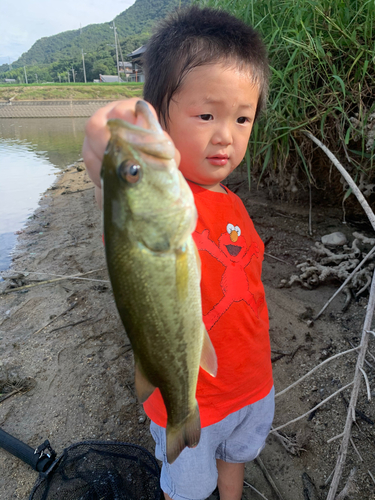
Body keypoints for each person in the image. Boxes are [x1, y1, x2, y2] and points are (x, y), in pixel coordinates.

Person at [82, 6, 274, 500]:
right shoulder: (159, 210)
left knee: (238, 459)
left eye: (242, 118)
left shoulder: (232, 203)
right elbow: (119, 187)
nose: (225, 135)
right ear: (163, 118)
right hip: (193, 396)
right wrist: (109, 152)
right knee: (186, 486)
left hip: (252, 385)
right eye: (206, 114)